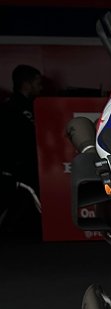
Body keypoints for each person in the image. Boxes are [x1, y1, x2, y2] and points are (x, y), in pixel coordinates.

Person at [0, 64, 44, 239]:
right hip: (15, 171)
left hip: (29, 169)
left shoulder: (35, 107)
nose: (41, 88)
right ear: (26, 84)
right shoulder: (11, 108)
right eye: (38, 83)